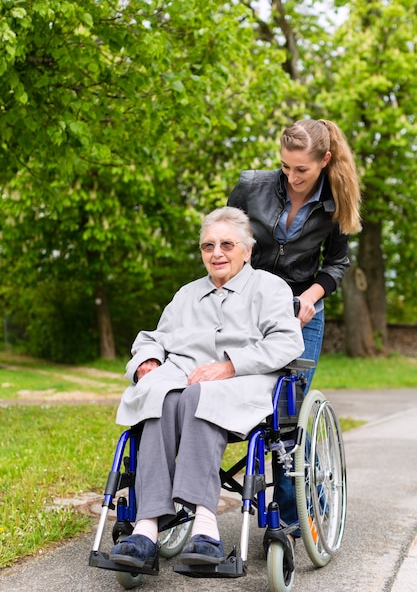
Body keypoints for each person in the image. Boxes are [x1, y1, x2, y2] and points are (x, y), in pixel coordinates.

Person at [110, 206, 304, 571]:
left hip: (244, 383)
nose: (216, 253)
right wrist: (147, 363)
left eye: (227, 244)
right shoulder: (186, 295)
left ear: (247, 250)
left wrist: (230, 366)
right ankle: (147, 527)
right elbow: (153, 337)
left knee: (200, 395)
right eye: (208, 246)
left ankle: (206, 525)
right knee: (161, 397)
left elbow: (287, 343)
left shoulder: (269, 288)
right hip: (185, 382)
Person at [228, 118, 361, 535]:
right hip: (249, 306)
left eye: (301, 169)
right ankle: (311, 500)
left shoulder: (338, 200)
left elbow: (337, 264)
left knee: (287, 414)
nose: (292, 177)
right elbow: (225, 237)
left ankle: (291, 514)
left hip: (301, 311)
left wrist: (310, 296)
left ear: (324, 160)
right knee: (249, 404)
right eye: (285, 167)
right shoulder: (251, 186)